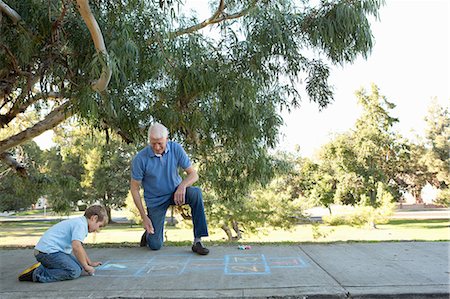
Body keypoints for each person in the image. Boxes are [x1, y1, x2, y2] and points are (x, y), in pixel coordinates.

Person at [130, 122, 209, 255]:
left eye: (160, 143)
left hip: (176, 193)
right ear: (149, 141)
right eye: (153, 143)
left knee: (196, 193)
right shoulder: (140, 159)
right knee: (155, 245)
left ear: (167, 139)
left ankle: (198, 241)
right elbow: (135, 189)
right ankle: (149, 234)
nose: (157, 147)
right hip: (155, 200)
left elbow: (193, 174)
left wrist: (182, 186)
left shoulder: (176, 149)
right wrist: (144, 217)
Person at [18, 205, 108, 282]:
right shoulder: (80, 225)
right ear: (94, 218)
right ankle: (37, 274)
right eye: (99, 226)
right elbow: (76, 247)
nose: (98, 230)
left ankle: (46, 266)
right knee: (74, 271)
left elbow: (79, 247)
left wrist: (89, 263)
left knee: (80, 266)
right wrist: (86, 266)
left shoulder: (80, 223)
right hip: (47, 252)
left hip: (51, 252)